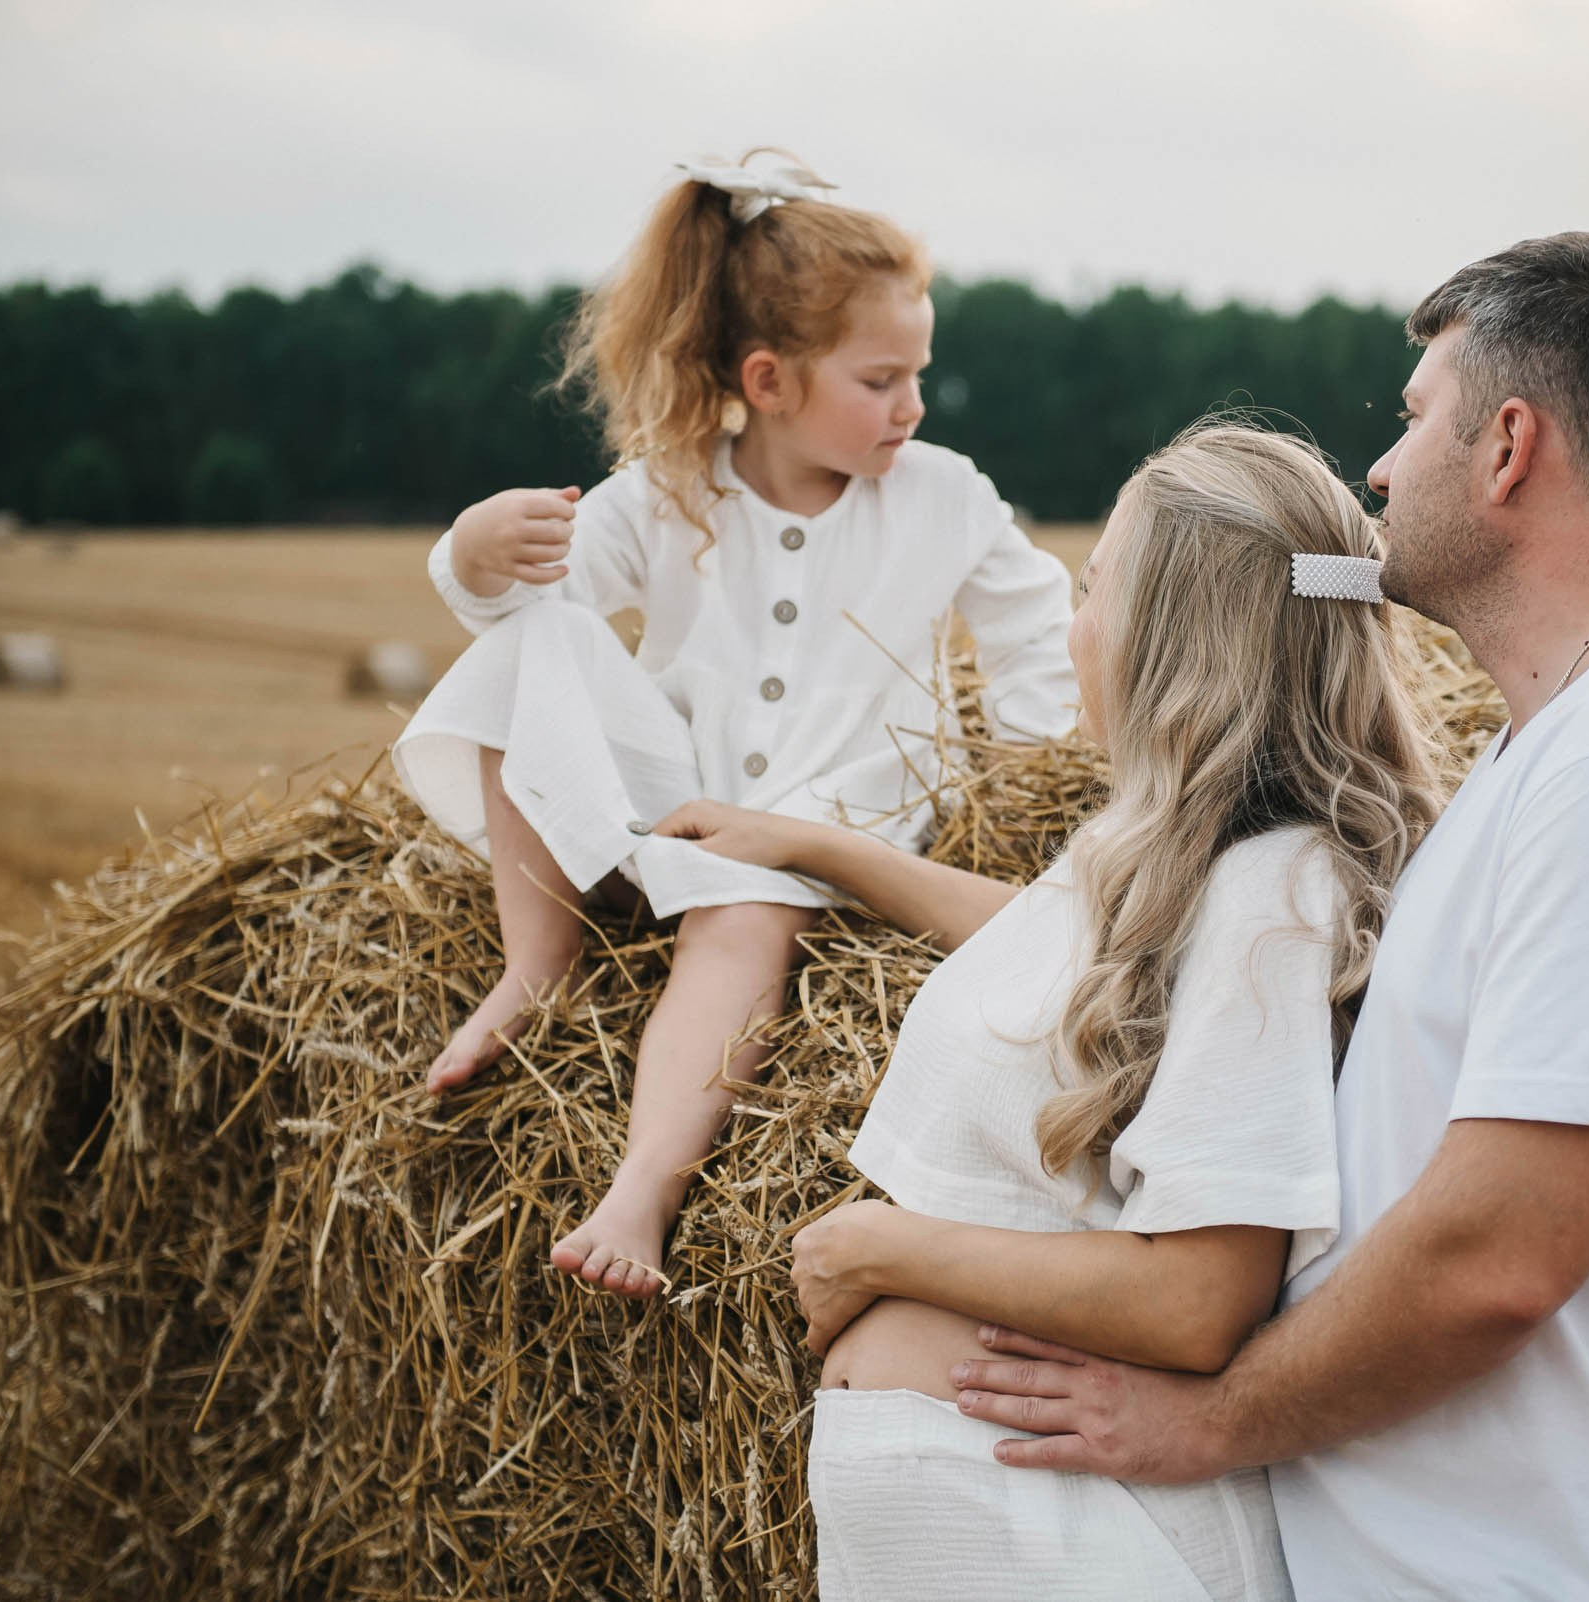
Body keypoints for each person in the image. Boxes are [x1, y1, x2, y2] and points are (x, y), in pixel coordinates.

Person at [950, 234, 1589, 1601]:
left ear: (1509, 444)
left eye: (1412, 420)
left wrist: (1207, 1423)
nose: (1381, 473)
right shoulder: (1566, 745)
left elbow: (1497, 1256)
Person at [653, 422, 1446, 1601]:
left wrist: (878, 1246)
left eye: (1091, 593)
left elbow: (1199, 1300)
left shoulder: (1270, 898)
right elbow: (1066, 949)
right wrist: (823, 849)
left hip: (1096, 1546)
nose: (1073, 632)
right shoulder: (1204, 861)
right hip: (1022, 1531)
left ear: (1168, 639)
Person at [390, 151, 1078, 1300]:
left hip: (836, 821)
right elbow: (521, 606)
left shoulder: (942, 492)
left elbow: (1033, 631)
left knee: (745, 909)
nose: (911, 404)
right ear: (767, 380)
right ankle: (533, 963)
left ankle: (642, 1190)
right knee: (529, 646)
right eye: (879, 379)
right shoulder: (666, 490)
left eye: (920, 373)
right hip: (678, 801)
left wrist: (1032, 774)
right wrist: (470, 553)